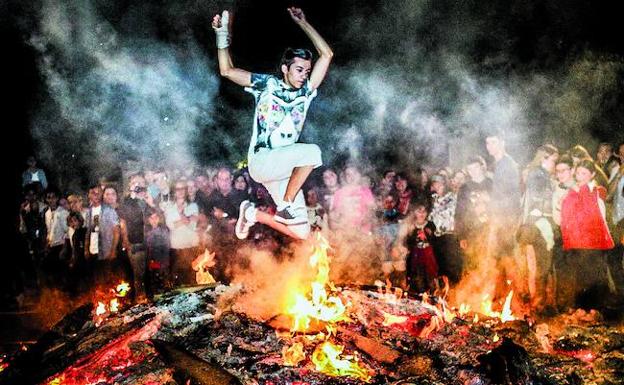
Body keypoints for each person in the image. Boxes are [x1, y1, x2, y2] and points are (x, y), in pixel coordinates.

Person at [212, 6, 333, 241]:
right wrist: (221, 37)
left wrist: (303, 23)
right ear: (285, 69)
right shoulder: (267, 85)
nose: (303, 76)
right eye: (299, 70)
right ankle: (286, 205)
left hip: (283, 172)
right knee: (312, 152)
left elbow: (326, 55)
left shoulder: (306, 92)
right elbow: (227, 71)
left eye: (307, 72)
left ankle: (252, 213)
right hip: (263, 160)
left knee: (302, 232)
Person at [559, 159, 615, 310]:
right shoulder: (572, 192)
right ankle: (582, 311)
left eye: (584, 173)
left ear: (592, 175)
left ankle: (596, 312)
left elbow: (595, 216)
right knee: (580, 279)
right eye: (578, 173)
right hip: (578, 243)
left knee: (594, 278)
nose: (580, 176)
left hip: (593, 244)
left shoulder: (595, 192)